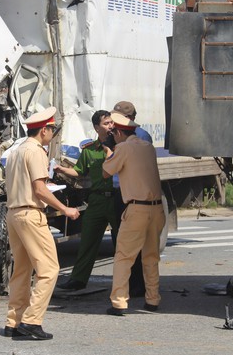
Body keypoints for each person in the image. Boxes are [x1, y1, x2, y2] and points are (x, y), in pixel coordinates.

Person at [3, 106, 80, 340]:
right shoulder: (36, 151)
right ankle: (31, 321)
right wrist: (65, 208)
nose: (52, 135)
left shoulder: (15, 151)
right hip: (30, 214)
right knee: (49, 269)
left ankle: (13, 322)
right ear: (44, 130)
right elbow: (39, 189)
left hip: (14, 213)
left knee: (22, 270)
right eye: (52, 130)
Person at [102, 112, 165, 316]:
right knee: (151, 256)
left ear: (119, 132)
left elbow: (106, 172)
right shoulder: (147, 147)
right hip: (156, 208)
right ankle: (152, 300)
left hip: (136, 208)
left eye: (113, 132)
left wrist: (108, 152)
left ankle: (119, 302)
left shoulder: (123, 148)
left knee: (123, 256)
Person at [55, 110, 119, 291]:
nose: (111, 126)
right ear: (97, 127)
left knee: (123, 243)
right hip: (97, 200)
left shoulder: (120, 146)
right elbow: (79, 172)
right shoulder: (90, 150)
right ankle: (78, 280)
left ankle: (130, 282)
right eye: (106, 123)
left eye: (112, 123)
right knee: (87, 241)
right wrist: (61, 170)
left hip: (117, 199)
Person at [111, 101, 152, 297]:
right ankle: (135, 287)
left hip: (131, 196)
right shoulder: (120, 137)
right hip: (124, 193)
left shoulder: (136, 138)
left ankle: (134, 287)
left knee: (130, 245)